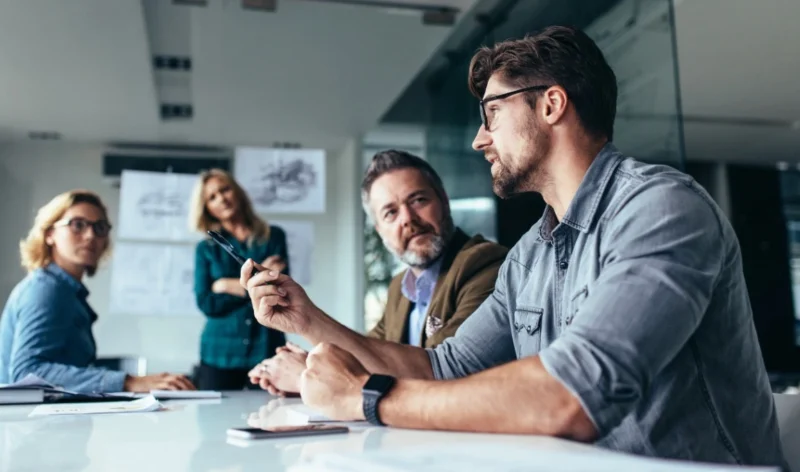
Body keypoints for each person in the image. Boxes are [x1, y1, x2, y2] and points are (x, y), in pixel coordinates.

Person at [240, 25, 787, 467]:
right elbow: (441, 368)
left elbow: (572, 394)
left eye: (492, 113)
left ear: (551, 105)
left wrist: (366, 397)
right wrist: (307, 321)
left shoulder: (662, 209)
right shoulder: (529, 254)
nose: (480, 138)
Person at [247, 150, 508, 395]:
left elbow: (441, 374)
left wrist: (307, 373)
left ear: (443, 201)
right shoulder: (400, 287)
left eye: (418, 200)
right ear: (379, 230)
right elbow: (367, 355)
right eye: (390, 212)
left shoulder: (485, 265)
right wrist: (311, 362)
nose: (407, 218)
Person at [0, 190, 195, 393]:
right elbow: (27, 373)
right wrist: (129, 382)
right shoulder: (46, 289)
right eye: (77, 225)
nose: (90, 235)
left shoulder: (67, 292)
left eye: (100, 227)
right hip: (28, 423)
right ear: (50, 234)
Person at [190, 168, 288, 390]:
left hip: (265, 347)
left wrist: (225, 285)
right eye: (212, 197)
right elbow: (206, 302)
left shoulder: (274, 237)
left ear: (237, 192)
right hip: (219, 353)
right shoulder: (206, 249)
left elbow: (278, 291)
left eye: (224, 190)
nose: (222, 199)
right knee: (213, 421)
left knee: (270, 416)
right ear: (207, 208)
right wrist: (254, 286)